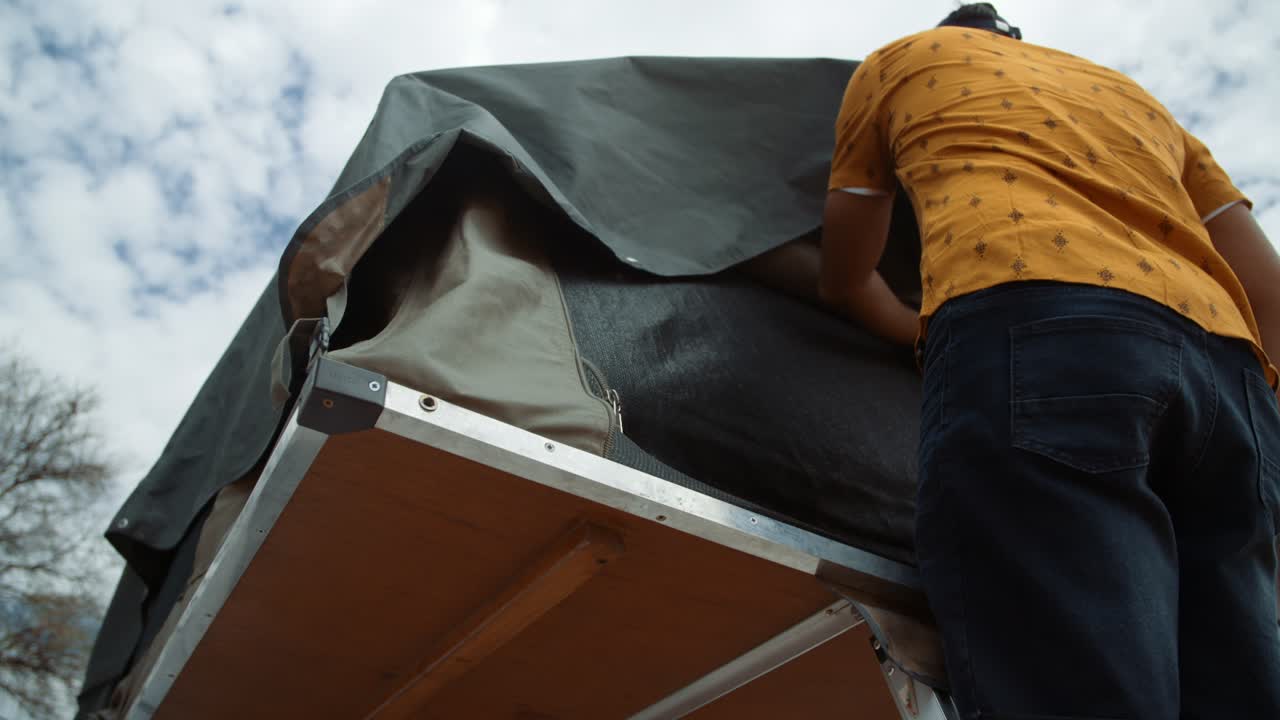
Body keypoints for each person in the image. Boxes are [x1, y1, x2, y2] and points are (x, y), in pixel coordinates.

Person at [819, 3, 1280, 718]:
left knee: (1078, 684)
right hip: (1228, 368)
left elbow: (847, 273)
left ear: (950, 34)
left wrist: (920, 333)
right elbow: (1268, 289)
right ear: (1015, 40)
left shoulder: (900, 61)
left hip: (1032, 311)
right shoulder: (1137, 100)